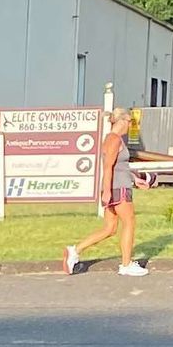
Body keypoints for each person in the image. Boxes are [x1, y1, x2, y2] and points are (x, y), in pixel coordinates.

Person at [66, 110, 147, 278]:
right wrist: (107, 191)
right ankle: (126, 264)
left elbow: (120, 166)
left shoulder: (114, 140)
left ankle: (75, 250)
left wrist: (135, 179)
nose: (130, 126)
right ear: (123, 121)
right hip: (119, 189)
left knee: (110, 229)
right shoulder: (114, 139)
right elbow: (108, 167)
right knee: (129, 222)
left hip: (118, 186)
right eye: (130, 122)